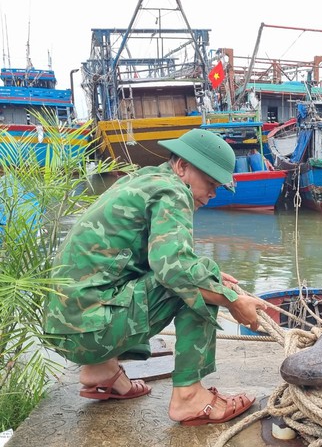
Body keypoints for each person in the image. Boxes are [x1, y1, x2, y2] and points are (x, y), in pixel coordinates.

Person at [43, 129, 268, 425]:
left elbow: (135, 260)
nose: (213, 194)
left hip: (65, 327)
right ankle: (189, 397)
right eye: (210, 183)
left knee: (199, 273)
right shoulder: (174, 191)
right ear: (182, 167)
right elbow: (176, 270)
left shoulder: (143, 179)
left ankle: (101, 371)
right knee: (201, 278)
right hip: (89, 331)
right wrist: (233, 300)